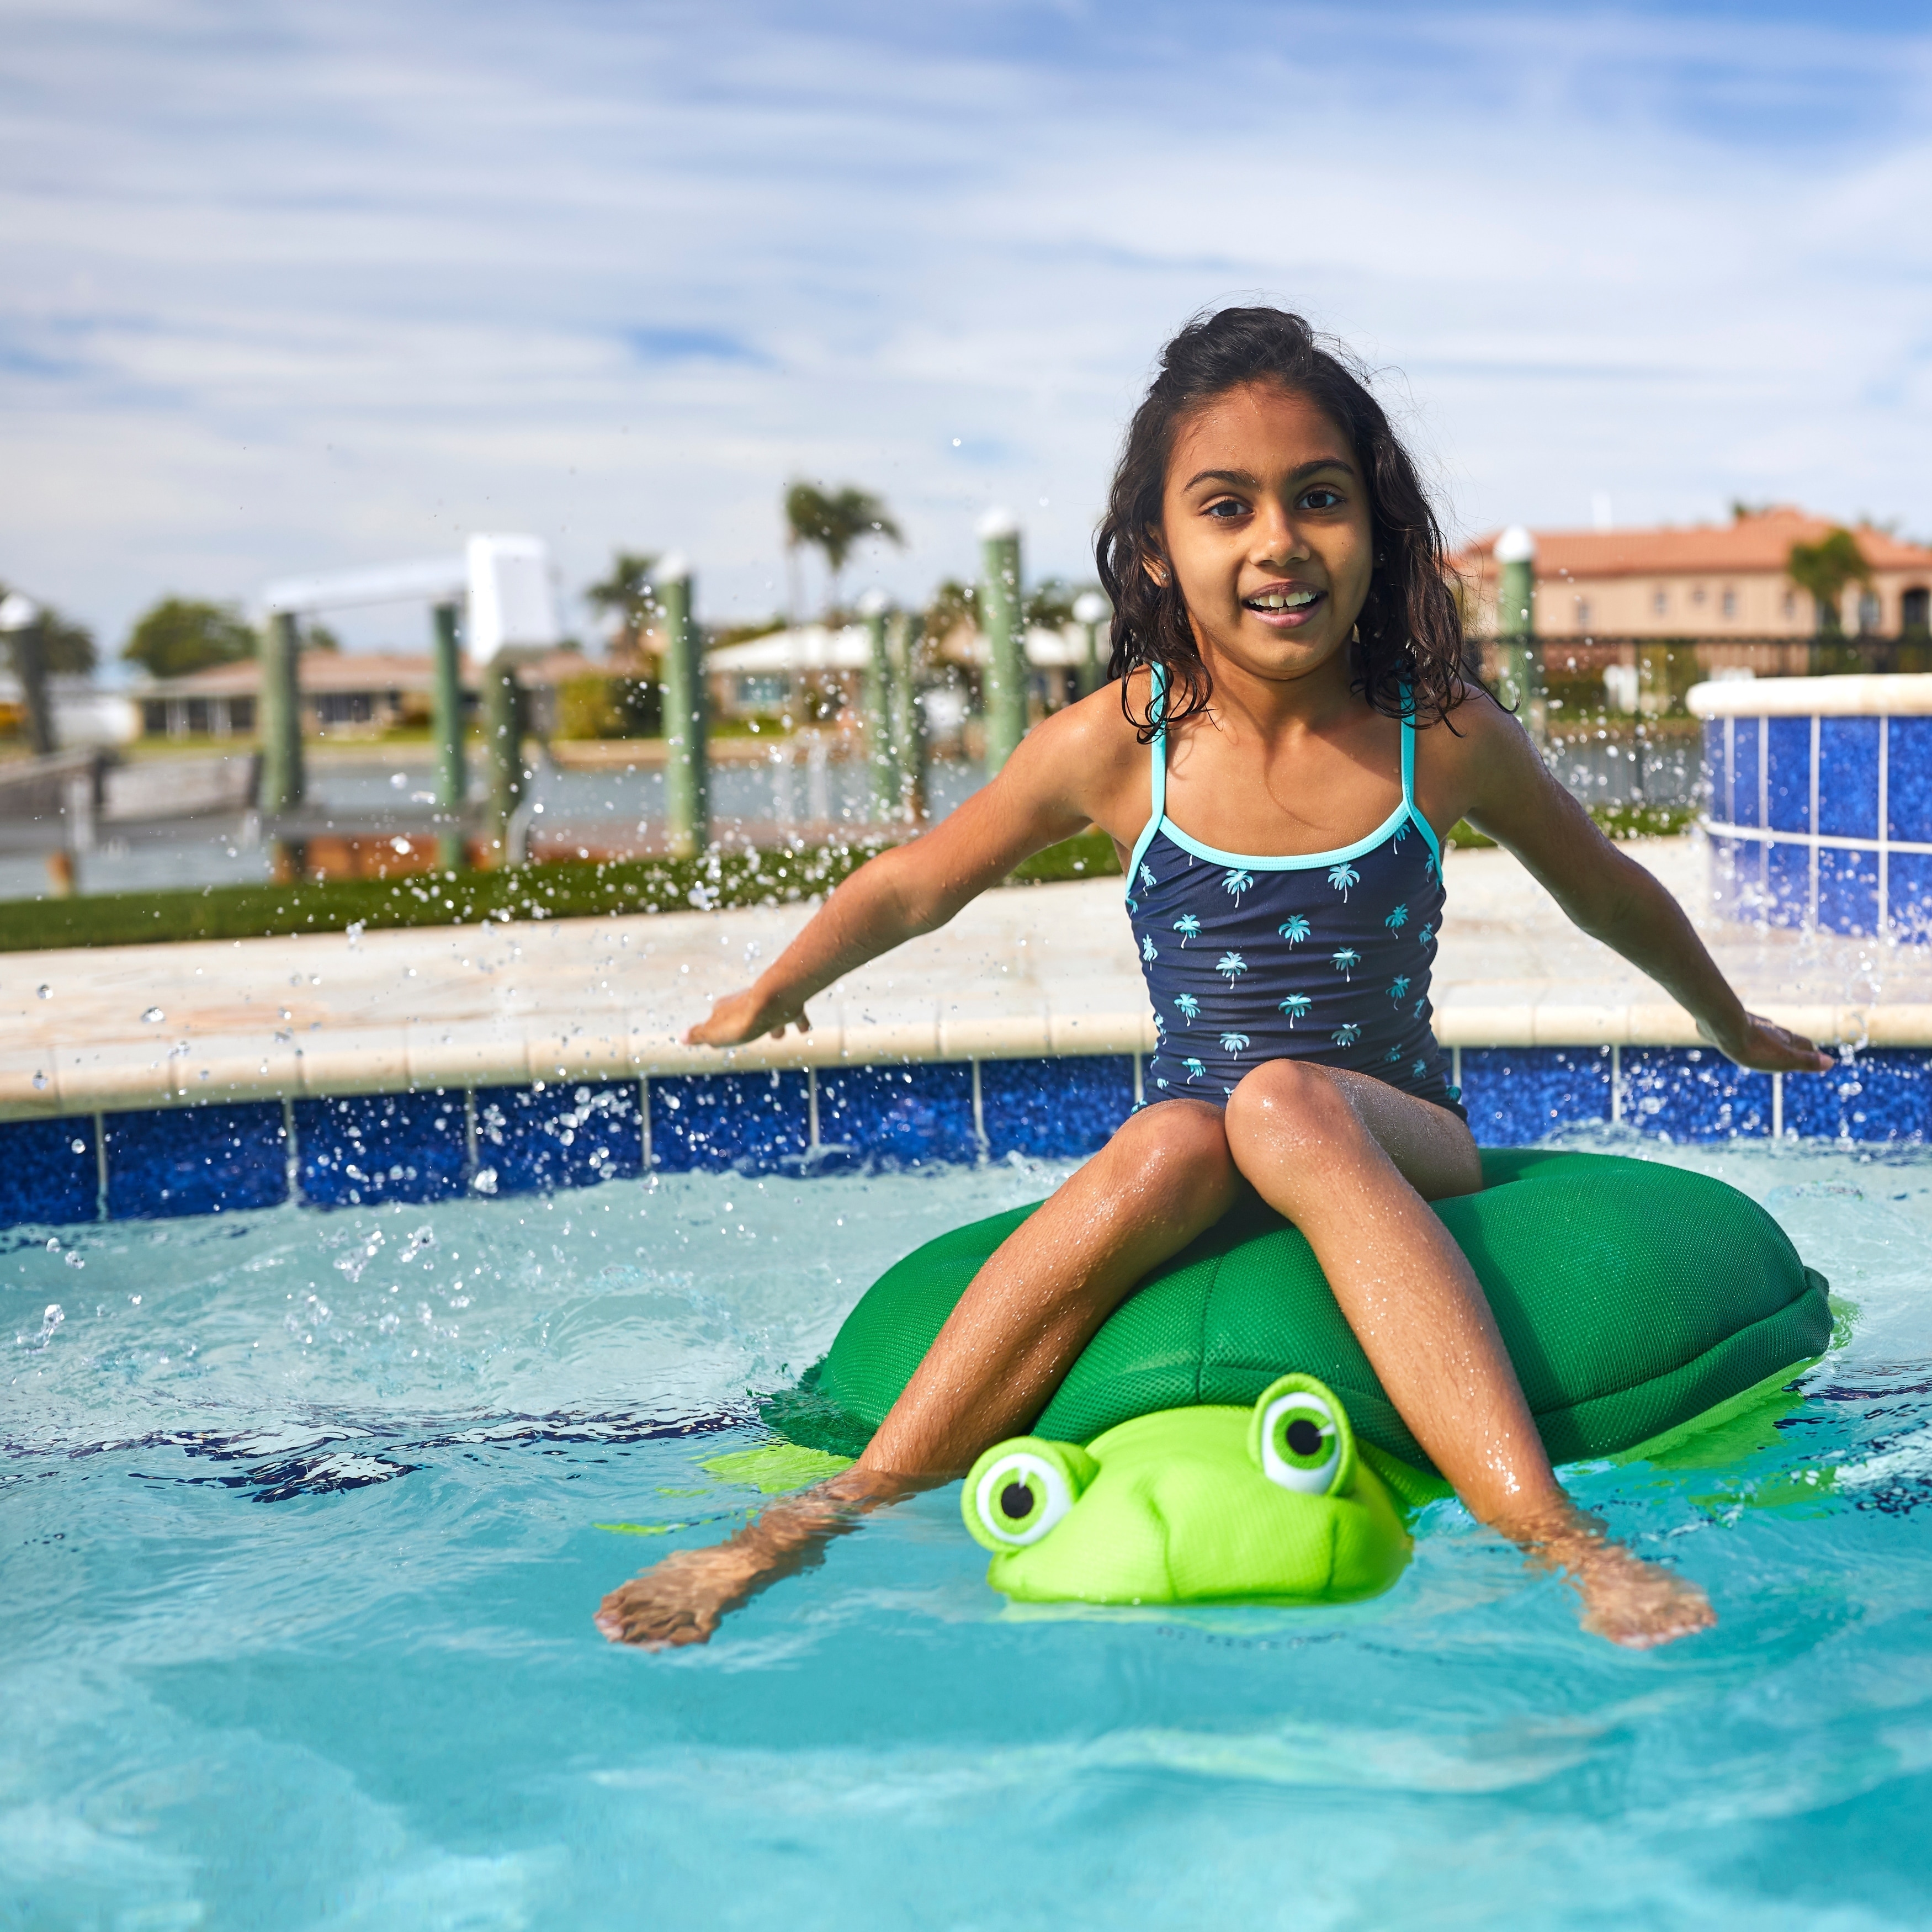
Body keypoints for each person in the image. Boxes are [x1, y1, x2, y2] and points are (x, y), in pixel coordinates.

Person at [596, 306, 1829, 1653]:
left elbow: (1603, 886)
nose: (1277, 543)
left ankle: (1555, 1534)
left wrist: (1726, 1020)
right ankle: (822, 1515)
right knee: (1172, 1136)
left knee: (1282, 1100)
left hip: (1398, 1138)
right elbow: (920, 879)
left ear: (1379, 523)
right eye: (1224, 507)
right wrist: (779, 987)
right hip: (1205, 1147)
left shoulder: (1440, 735)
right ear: (1156, 549)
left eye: (1318, 498)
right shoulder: (1121, 744)